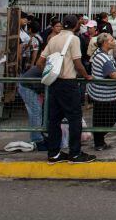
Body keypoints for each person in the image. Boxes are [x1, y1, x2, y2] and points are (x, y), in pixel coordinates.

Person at [36, 14, 95, 164]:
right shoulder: (73, 39)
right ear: (76, 25)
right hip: (69, 83)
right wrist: (86, 76)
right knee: (74, 119)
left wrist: (50, 74)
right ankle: (75, 153)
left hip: (54, 83)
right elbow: (77, 62)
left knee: (54, 120)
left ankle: (54, 153)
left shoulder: (54, 39)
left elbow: (39, 62)